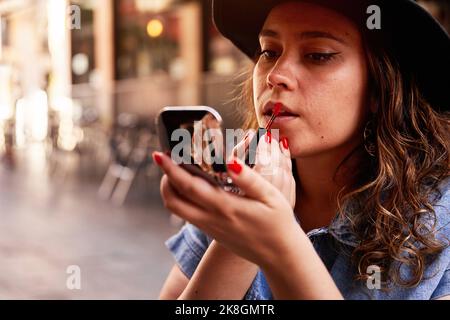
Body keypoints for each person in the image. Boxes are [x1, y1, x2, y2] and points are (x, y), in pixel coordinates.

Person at [153, 0, 450, 299]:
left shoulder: (442, 218)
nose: (275, 75)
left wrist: (276, 242)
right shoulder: (233, 185)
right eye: (269, 51)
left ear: (379, 88)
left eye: (317, 55)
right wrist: (236, 237)